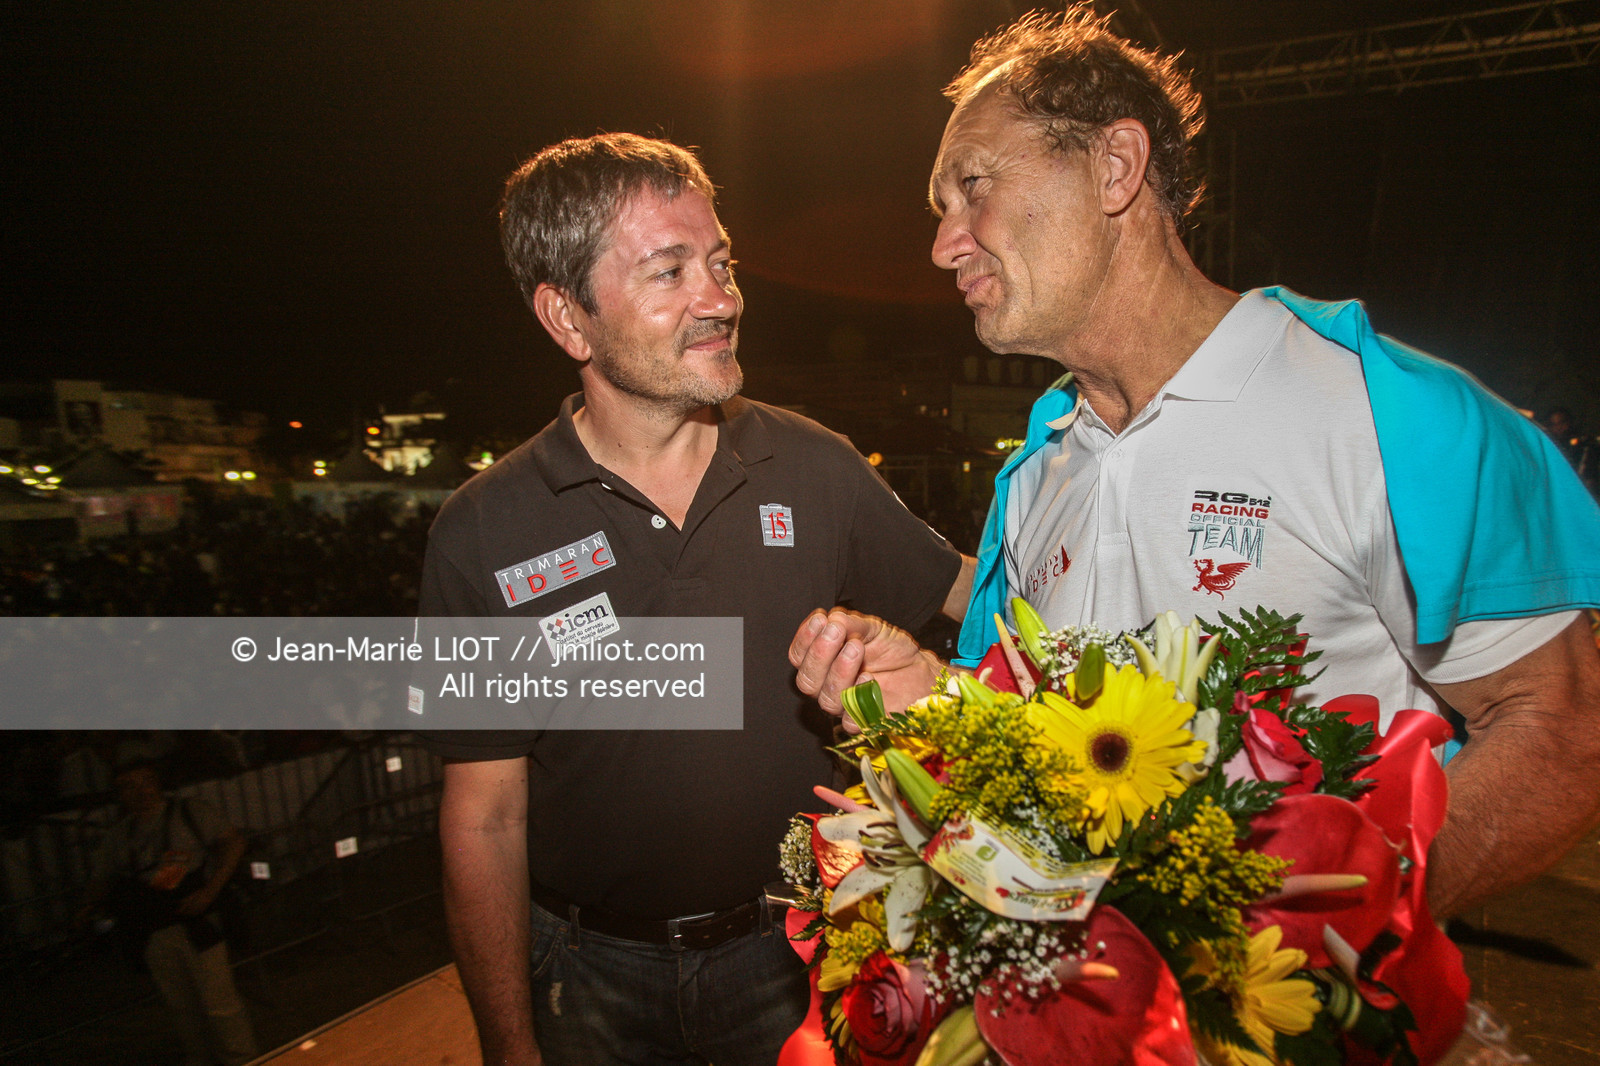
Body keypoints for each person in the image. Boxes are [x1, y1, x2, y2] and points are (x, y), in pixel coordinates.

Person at [790, 7, 1600, 923]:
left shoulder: (1384, 414)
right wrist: (933, 699)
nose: (944, 244)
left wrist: (1345, 938)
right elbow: (1052, 750)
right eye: (942, 211)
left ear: (1115, 167)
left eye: (973, 186)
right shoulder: (1038, 473)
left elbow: (1561, 727)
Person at [419, 133, 969, 1066]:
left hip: (804, 949)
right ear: (569, 319)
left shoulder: (816, 467)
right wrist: (510, 1046)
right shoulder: (483, 530)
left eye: (719, 263)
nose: (721, 299)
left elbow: (983, 602)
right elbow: (484, 814)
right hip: (585, 976)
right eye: (669, 271)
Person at [77, 761, 257, 1066]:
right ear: (119, 793)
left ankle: (241, 1059)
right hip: (153, 927)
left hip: (197, 922)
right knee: (181, 1006)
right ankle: (199, 1058)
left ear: (158, 782)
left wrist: (211, 890)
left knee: (218, 1002)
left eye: (145, 781)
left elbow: (234, 842)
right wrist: (86, 910)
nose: (140, 791)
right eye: (128, 785)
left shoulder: (191, 812)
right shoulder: (121, 835)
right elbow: (101, 878)